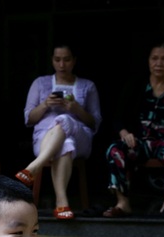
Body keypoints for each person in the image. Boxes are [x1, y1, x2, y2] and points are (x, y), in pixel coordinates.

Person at [103, 40, 164, 220]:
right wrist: (124, 132)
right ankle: (122, 203)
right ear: (148, 61)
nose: (159, 63)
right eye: (154, 58)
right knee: (114, 149)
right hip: (139, 142)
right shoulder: (136, 85)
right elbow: (118, 118)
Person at [16, 44, 102, 220]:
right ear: (52, 61)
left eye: (67, 59)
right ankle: (61, 203)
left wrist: (76, 109)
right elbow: (29, 119)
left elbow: (95, 123)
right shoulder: (40, 83)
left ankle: (35, 166)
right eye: (57, 60)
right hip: (45, 139)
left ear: (74, 61)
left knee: (65, 120)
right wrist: (46, 104)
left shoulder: (88, 86)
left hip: (81, 138)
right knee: (66, 144)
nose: (62, 64)